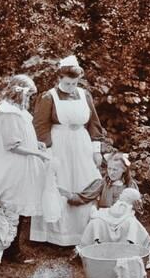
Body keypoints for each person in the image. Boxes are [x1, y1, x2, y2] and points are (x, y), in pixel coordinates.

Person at [30, 55, 104, 246]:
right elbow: (40, 126)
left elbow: (94, 123)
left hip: (82, 143)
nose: (71, 86)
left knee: (84, 180)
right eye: (68, 83)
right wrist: (46, 152)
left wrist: (97, 150)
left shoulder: (85, 95)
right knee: (60, 182)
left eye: (74, 83)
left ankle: (83, 232)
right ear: (60, 78)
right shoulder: (49, 97)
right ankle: (56, 235)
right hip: (58, 144)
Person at [0, 74, 50, 262]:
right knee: (11, 205)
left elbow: (21, 136)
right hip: (11, 165)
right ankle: (9, 250)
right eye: (28, 95)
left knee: (19, 204)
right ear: (18, 93)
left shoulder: (17, 112)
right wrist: (37, 154)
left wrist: (36, 144)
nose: (29, 99)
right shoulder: (7, 112)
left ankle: (11, 248)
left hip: (20, 164)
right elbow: (11, 145)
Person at [61, 152, 150, 256]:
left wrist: (137, 206)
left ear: (124, 170)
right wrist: (69, 195)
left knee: (131, 223)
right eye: (109, 169)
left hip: (123, 217)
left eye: (115, 170)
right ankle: (89, 251)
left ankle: (130, 251)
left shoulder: (130, 185)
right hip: (105, 216)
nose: (111, 172)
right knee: (96, 223)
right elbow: (85, 196)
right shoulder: (102, 183)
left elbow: (137, 205)